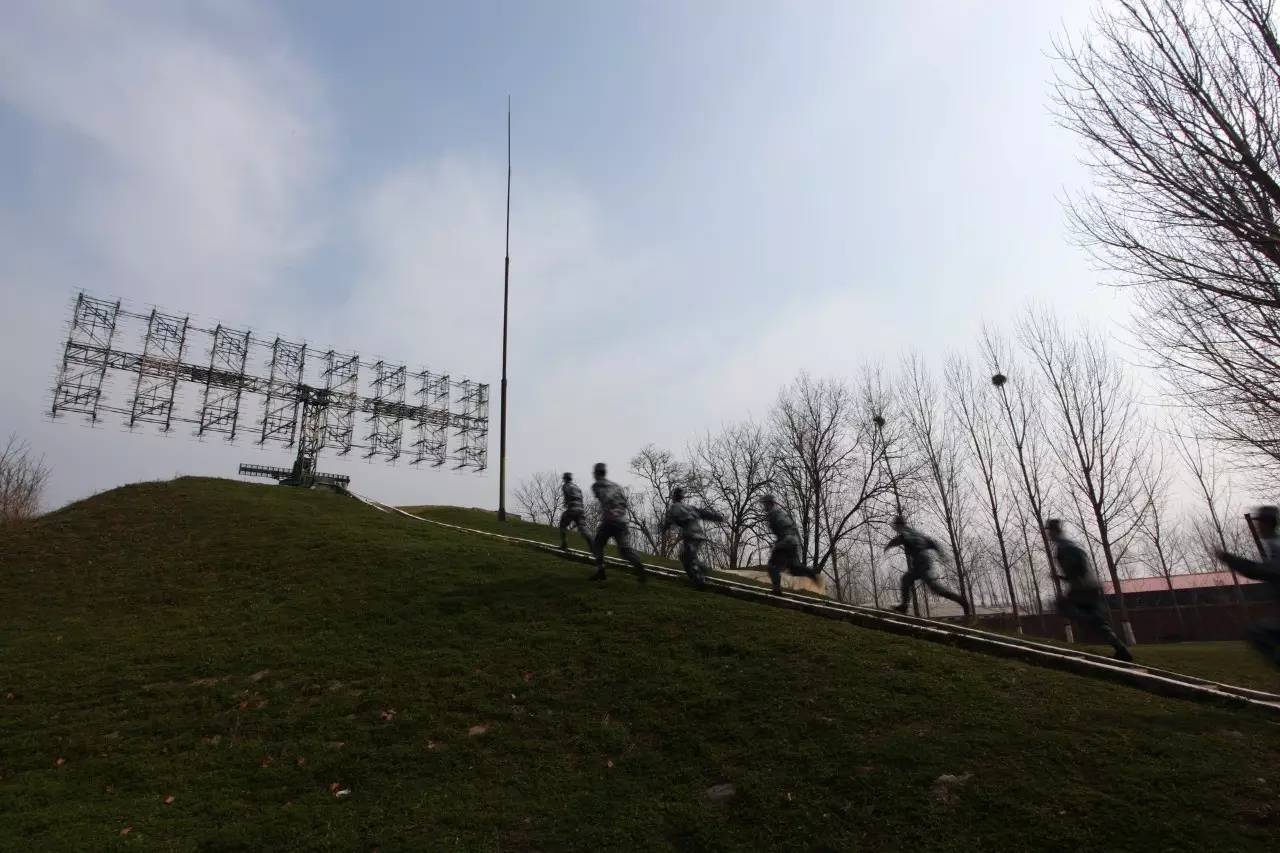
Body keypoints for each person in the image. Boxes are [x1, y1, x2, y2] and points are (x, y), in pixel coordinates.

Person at [1045, 518, 1133, 662]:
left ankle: (1091, 620)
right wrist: (1061, 577)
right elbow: (1077, 568)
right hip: (1091, 586)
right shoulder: (1069, 545)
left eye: (1049, 532)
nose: (1048, 535)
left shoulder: (1064, 548)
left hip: (1083, 588)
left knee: (1062, 605)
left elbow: (1076, 569)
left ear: (1054, 531)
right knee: (1099, 624)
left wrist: (1070, 580)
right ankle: (1121, 649)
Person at [1214, 505, 1280, 669]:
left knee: (1257, 633)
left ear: (1266, 524)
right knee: (1258, 633)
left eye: (1260, 524)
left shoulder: (1276, 546)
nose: (1257, 528)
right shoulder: (1272, 544)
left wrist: (1229, 558)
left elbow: (1262, 571)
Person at [883, 515, 970, 617]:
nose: (896, 529)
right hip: (923, 562)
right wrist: (941, 554)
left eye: (896, 527)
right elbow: (932, 542)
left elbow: (901, 538)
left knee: (927, 586)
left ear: (899, 525)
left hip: (921, 564)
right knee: (909, 580)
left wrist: (889, 545)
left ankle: (961, 601)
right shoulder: (916, 533)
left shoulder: (905, 532)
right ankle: (904, 606)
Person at [588, 462, 647, 582]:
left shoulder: (596, 486)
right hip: (622, 520)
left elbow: (602, 498)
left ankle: (601, 571)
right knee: (624, 549)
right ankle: (639, 566)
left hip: (609, 520)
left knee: (597, 544)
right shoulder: (617, 486)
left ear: (596, 473)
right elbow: (624, 502)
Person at [661, 486, 724, 589]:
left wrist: (663, 528)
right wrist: (717, 517)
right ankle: (695, 577)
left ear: (674, 497)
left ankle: (700, 576)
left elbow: (668, 520)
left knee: (689, 557)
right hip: (698, 533)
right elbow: (703, 513)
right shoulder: (689, 507)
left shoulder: (674, 507)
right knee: (683, 555)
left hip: (690, 534)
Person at [760, 494, 820, 595]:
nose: (763, 507)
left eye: (764, 504)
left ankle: (776, 590)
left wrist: (780, 544)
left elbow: (786, 527)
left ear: (769, 504)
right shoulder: (778, 513)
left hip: (787, 541)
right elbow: (791, 527)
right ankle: (812, 573)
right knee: (794, 569)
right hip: (792, 542)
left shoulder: (774, 514)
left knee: (772, 566)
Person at [557, 472, 592, 552]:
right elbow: (581, 497)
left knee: (563, 524)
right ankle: (592, 545)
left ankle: (564, 544)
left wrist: (566, 503)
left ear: (565, 479)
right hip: (581, 509)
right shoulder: (577, 487)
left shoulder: (566, 485)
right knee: (583, 528)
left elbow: (567, 496)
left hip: (572, 508)